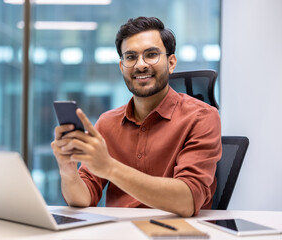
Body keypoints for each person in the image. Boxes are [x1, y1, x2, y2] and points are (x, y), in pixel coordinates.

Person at [51, 16, 222, 217]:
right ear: (122, 67)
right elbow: (83, 198)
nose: (140, 65)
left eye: (151, 55)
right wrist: (68, 171)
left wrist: (110, 167)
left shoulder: (202, 117)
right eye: (131, 57)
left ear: (171, 62)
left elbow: (188, 200)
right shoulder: (107, 122)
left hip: (177, 233)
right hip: (120, 232)